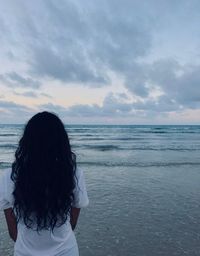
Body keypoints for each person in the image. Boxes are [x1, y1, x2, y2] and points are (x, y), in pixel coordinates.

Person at [0, 111, 89, 256]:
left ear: (27, 141)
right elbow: (73, 221)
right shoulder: (73, 174)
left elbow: (12, 232)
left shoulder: (8, 176)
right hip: (66, 250)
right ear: (61, 141)